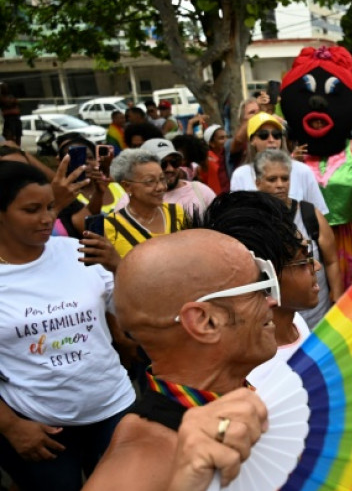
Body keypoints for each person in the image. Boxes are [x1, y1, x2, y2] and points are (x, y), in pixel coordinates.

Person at [83, 229, 276, 491]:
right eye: (259, 288)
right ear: (204, 321)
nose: (272, 301)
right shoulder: (140, 465)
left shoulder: (237, 393)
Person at [0, 161, 135, 491]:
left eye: (50, 206)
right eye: (32, 210)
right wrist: (10, 425)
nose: (47, 219)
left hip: (113, 409)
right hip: (39, 426)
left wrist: (120, 269)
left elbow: (133, 317)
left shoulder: (80, 251)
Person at [192, 191, 320, 385]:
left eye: (308, 251)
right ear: (264, 277)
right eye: (304, 261)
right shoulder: (251, 376)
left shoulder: (296, 321)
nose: (317, 266)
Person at [254, 149, 343, 328]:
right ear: (258, 183)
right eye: (272, 179)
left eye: (285, 178)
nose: (280, 185)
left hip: (319, 318)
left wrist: (338, 300)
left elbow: (332, 260)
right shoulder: (253, 222)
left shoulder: (309, 214)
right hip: (276, 324)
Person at [104, 149, 188, 258]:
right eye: (150, 181)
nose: (161, 187)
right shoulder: (112, 226)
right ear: (127, 186)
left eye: (162, 179)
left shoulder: (176, 213)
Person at [117, 138, 215, 216]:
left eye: (174, 162)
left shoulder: (201, 191)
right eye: (162, 164)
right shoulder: (129, 200)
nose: (170, 169)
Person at [198, 124, 229, 194]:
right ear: (211, 143)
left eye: (227, 137)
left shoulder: (225, 155)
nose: (226, 140)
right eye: (221, 138)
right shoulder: (208, 158)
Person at [0, 82, 22, 147]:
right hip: (9, 119)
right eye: (3, 87)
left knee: (18, 135)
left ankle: (18, 148)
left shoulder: (11, 96)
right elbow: (7, 102)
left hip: (16, 118)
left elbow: (17, 103)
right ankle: (10, 149)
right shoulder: (1, 97)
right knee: (10, 135)